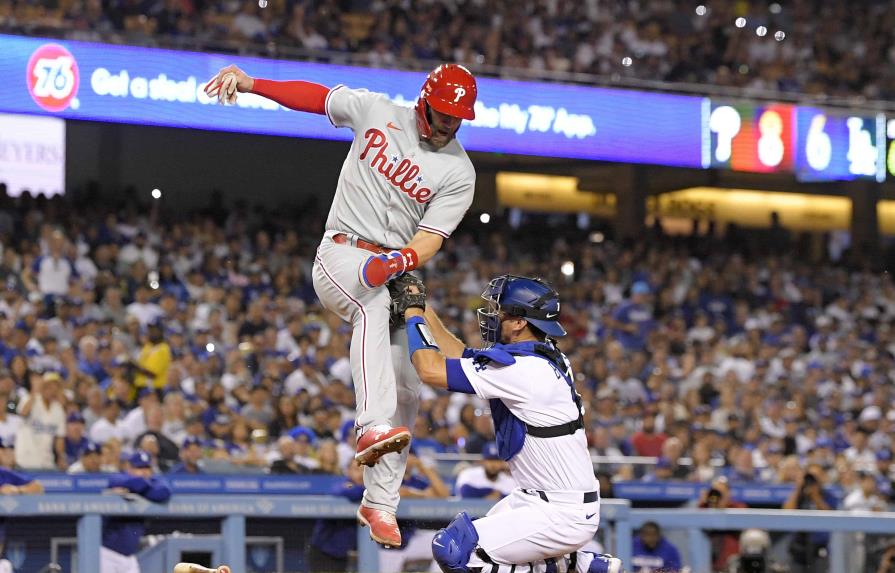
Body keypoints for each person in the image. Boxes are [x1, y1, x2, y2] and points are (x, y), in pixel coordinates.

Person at [204, 60, 477, 548]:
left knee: (410, 380)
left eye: (458, 117)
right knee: (371, 306)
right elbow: (317, 98)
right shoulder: (377, 110)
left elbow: (431, 238)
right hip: (341, 251)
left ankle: (380, 504)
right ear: (425, 102)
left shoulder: (458, 170)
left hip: (392, 266)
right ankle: (370, 425)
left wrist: (400, 261)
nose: (451, 123)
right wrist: (253, 84)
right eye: (444, 113)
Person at [392, 273, 621, 573]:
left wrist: (411, 314)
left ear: (519, 322)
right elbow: (462, 356)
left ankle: (570, 566)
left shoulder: (524, 370)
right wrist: (421, 305)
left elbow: (431, 370)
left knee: (456, 552)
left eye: (501, 311)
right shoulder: (540, 355)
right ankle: (576, 566)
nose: (493, 315)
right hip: (539, 498)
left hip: (560, 511)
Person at [101, 450, 172, 573]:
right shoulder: (118, 477)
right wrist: (142, 486)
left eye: (147, 468)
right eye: (139, 468)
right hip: (107, 554)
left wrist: (139, 487)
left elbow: (164, 491)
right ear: (130, 468)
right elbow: (117, 481)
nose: (144, 471)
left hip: (129, 558)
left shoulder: (151, 482)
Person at [14, 371, 66, 470]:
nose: (52, 390)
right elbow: (23, 413)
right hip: (26, 459)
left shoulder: (58, 409)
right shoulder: (30, 399)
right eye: (49, 386)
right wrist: (34, 391)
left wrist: (61, 457)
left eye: (56, 387)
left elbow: (60, 437)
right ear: (43, 386)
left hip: (46, 460)